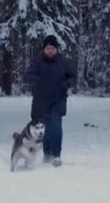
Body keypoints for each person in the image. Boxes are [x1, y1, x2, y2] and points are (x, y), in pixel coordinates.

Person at [24, 35, 77, 167]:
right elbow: (28, 76)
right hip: (40, 101)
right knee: (43, 128)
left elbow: (73, 77)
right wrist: (38, 81)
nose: (50, 51)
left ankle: (56, 155)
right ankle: (47, 154)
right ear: (44, 49)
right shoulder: (37, 62)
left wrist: (66, 84)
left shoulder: (64, 62)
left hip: (58, 99)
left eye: (53, 48)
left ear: (57, 49)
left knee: (55, 126)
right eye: (48, 48)